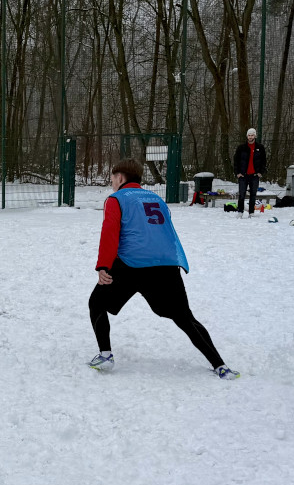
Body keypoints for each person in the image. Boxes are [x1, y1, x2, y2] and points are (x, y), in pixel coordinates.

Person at [87, 159, 239, 379]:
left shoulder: (116, 199)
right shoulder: (156, 199)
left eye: (112, 178)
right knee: (185, 317)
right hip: (165, 265)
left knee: (96, 303)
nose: (111, 183)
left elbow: (110, 233)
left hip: (130, 264)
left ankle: (105, 355)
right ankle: (220, 366)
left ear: (120, 177)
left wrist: (103, 266)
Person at [232, 128, 267, 217]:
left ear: (255, 136)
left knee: (253, 195)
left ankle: (251, 212)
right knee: (242, 194)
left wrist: (261, 172)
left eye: (252, 135)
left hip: (254, 175)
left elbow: (263, 161)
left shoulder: (260, 147)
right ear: (247, 136)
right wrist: (237, 172)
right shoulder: (241, 148)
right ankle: (240, 212)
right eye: (249, 135)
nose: (250, 137)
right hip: (243, 175)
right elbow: (236, 161)